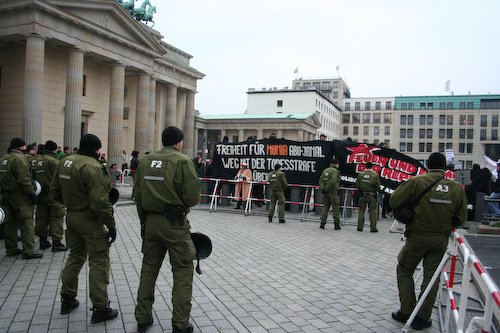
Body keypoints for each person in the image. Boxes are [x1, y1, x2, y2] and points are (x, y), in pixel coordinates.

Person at [390, 152, 467, 330]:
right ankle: (422, 317)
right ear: (445, 168)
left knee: (404, 269)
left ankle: (407, 311)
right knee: (432, 277)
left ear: (427, 165)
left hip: (417, 237)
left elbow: (394, 201)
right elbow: (461, 217)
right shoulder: (455, 188)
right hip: (440, 239)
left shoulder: (417, 182)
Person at [134, 126, 201, 333]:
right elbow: (192, 197)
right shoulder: (182, 161)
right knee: (182, 270)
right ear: (178, 142)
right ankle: (180, 324)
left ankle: (142, 318)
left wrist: (144, 222)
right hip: (174, 224)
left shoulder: (145, 161)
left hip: (151, 222)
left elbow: (138, 195)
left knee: (148, 270)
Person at [50, 134, 118, 323]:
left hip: (71, 217)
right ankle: (100, 307)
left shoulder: (65, 162)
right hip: (90, 220)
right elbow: (99, 202)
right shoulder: (92, 167)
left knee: (75, 257)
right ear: (97, 149)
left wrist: (71, 204)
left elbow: (54, 192)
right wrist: (110, 223)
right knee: (98, 261)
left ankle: (67, 298)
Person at [0, 137, 42, 259]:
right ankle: (28, 251)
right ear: (22, 147)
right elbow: (24, 179)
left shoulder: (4, 159)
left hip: (7, 194)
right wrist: (31, 194)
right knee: (27, 222)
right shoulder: (20, 159)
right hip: (20, 196)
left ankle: (11, 248)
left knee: (10, 222)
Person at [33, 140, 67, 252]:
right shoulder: (54, 161)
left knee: (42, 218)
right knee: (56, 217)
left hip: (41, 193)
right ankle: (56, 242)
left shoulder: (37, 161)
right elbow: (60, 177)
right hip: (53, 194)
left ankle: (43, 240)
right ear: (54, 149)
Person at [356, 162, 380, 232]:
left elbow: (357, 185)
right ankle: (373, 228)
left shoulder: (360, 174)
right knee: (372, 211)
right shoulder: (375, 175)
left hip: (362, 195)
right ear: (372, 167)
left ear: (365, 167)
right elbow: (377, 185)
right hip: (371, 195)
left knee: (361, 211)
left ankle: (360, 227)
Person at [319, 158, 341, 230]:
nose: (338, 165)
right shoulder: (335, 171)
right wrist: (327, 188)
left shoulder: (325, 170)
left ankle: (322, 223)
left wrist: (323, 188)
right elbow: (333, 180)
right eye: (338, 164)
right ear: (335, 164)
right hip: (333, 191)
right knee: (336, 207)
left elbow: (321, 180)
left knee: (325, 207)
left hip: (326, 192)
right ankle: (336, 224)